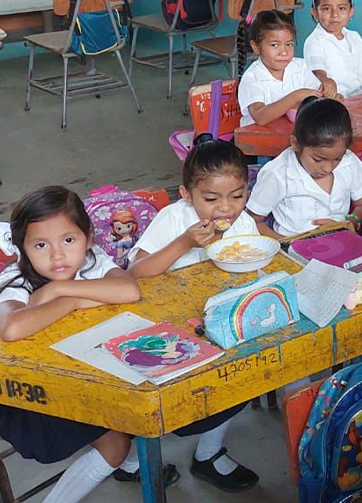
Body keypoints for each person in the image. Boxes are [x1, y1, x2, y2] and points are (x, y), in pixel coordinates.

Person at [128, 135, 259, 492]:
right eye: (211, 199)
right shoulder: (174, 219)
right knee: (163, 396)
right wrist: (184, 242)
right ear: (186, 194)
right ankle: (128, 460)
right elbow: (136, 273)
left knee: (244, 371)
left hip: (215, 321)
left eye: (238, 196)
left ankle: (209, 453)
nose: (226, 210)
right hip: (163, 326)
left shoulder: (242, 223)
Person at [0, 186, 140, 503]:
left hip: (81, 376)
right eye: (40, 245)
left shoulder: (92, 261)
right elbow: (10, 328)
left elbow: (129, 290)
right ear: (22, 248)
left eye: (68, 240)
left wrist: (61, 291)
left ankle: (129, 462)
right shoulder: (16, 279)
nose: (57, 255)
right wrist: (75, 298)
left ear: (88, 238)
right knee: (116, 443)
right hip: (29, 397)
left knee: (133, 399)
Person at [247, 97, 362, 238]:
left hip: (340, 243)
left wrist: (350, 223)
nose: (327, 168)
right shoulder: (278, 174)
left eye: (337, 159)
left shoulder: (349, 161)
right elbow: (252, 221)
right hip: (292, 251)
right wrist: (287, 244)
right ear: (295, 143)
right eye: (318, 159)